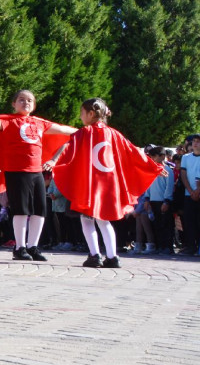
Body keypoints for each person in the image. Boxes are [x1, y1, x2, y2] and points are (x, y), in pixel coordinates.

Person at [0, 89, 76, 262]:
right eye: (21, 99)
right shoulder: (9, 122)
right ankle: (20, 247)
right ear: (13, 103)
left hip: (36, 172)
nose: (26, 102)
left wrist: (84, 132)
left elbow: (63, 130)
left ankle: (33, 246)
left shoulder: (40, 123)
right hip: (17, 172)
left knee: (40, 210)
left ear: (34, 105)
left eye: (30, 100)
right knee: (21, 210)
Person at [47, 98, 162, 268]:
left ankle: (94, 255)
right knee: (104, 221)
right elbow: (133, 152)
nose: (80, 117)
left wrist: (54, 161)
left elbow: (67, 148)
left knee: (86, 220)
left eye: (82, 113)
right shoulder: (114, 134)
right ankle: (112, 256)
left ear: (91, 114)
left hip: (91, 184)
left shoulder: (84, 133)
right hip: (109, 185)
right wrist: (154, 167)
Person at [143, 146, 175, 254]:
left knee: (166, 224)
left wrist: (166, 201)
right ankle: (160, 246)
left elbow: (169, 187)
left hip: (163, 201)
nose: (152, 159)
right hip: (153, 200)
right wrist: (147, 199)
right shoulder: (151, 170)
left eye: (154, 156)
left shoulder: (168, 170)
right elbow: (148, 185)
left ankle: (168, 247)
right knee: (156, 225)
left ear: (162, 156)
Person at [178, 134, 200, 255]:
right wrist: (191, 191)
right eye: (194, 141)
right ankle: (191, 246)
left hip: (198, 193)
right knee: (189, 222)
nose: (195, 144)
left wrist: (198, 191)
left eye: (198, 142)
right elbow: (183, 175)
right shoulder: (186, 157)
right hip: (189, 194)